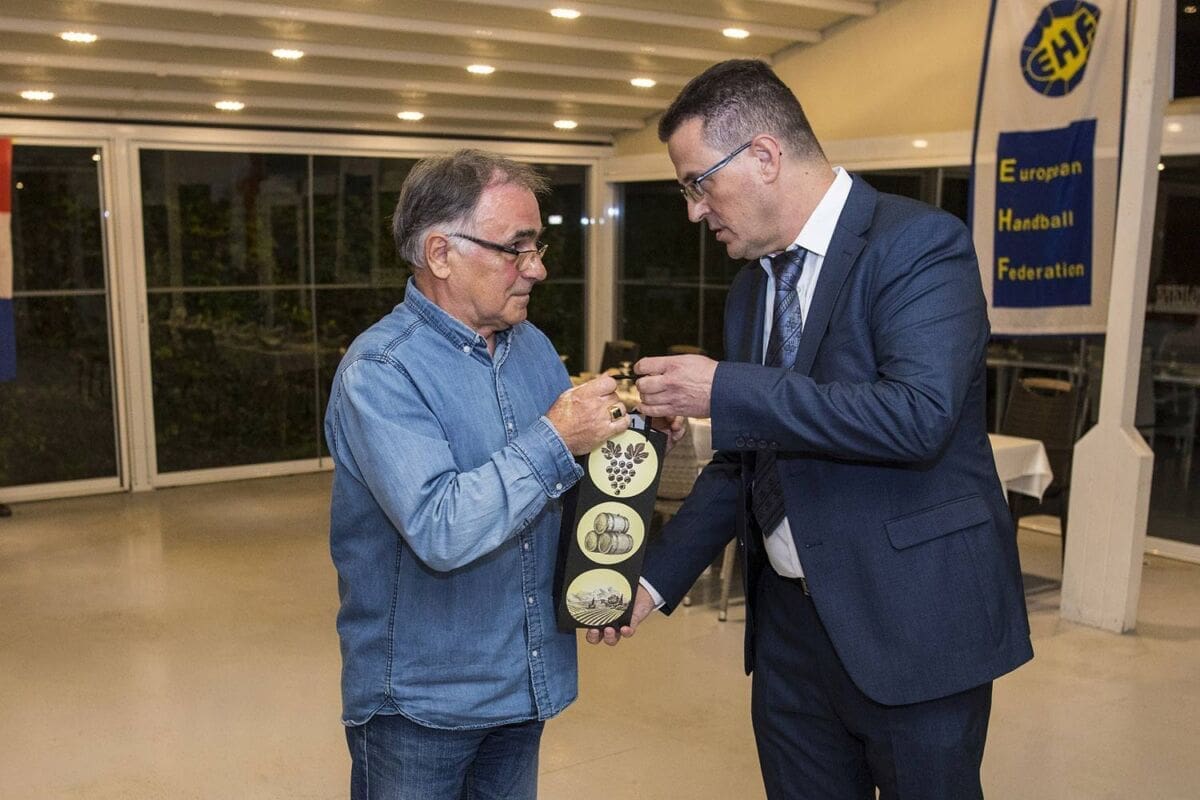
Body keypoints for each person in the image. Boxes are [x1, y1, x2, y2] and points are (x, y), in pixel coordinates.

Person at [589, 60, 1034, 799]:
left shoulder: (919, 244)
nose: (694, 211)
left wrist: (725, 388)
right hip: (788, 634)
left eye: (698, 183)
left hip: (912, 619)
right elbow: (744, 461)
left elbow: (916, 416)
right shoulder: (749, 289)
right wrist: (653, 578)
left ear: (764, 156)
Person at [325, 149, 633, 800]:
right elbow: (442, 527)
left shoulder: (533, 348)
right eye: (516, 248)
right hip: (421, 703)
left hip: (524, 680)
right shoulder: (382, 371)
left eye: (537, 246)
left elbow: (562, 487)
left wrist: (631, 444)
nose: (537, 268)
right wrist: (558, 437)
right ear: (440, 253)